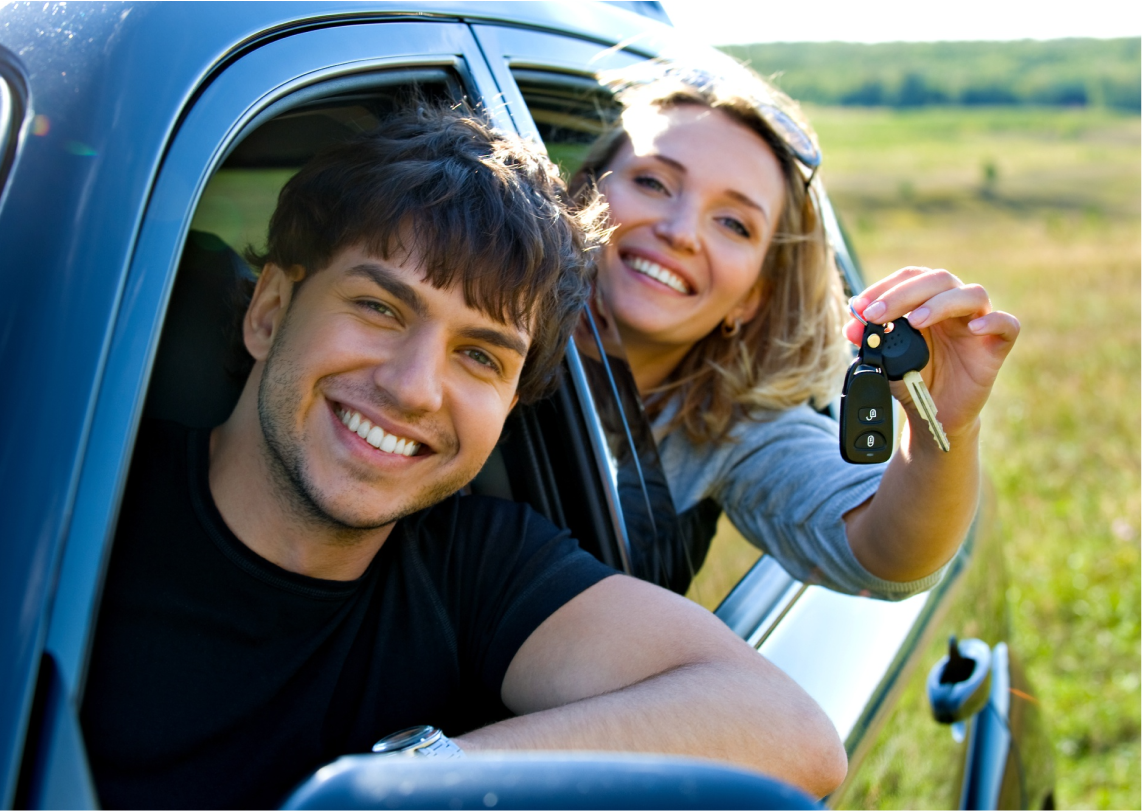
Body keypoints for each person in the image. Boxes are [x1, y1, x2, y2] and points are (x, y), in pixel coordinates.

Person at [79, 106, 847, 811]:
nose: (414, 389)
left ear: (510, 407)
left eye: (480, 355)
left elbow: (794, 733)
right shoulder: (72, 503)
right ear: (270, 309)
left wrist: (413, 784)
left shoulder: (476, 566)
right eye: (380, 308)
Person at [570, 66, 1020, 599]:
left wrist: (943, 427)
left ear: (753, 297)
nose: (681, 232)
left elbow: (889, 555)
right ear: (581, 196)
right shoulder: (468, 306)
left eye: (733, 223)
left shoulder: (729, 432)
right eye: (652, 182)